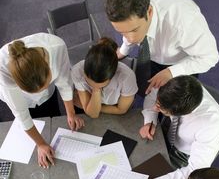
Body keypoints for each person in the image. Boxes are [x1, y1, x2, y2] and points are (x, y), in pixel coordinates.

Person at [105, 0, 219, 92]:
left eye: (134, 30)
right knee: (149, 85)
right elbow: (128, 30)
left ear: (149, 12)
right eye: (121, 32)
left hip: (180, 63)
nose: (131, 39)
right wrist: (123, 50)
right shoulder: (131, 4)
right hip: (153, 56)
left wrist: (171, 72)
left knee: (172, 103)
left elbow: (210, 58)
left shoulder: (184, 24)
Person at [0, 33, 84, 168]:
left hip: (48, 95)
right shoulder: (2, 68)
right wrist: (41, 144)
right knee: (32, 122)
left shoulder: (57, 46)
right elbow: (21, 113)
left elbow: (64, 82)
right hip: (23, 100)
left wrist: (71, 112)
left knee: (53, 114)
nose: (38, 94)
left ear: (48, 67)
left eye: (44, 85)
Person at [138, 76, 219, 179]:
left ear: (182, 114)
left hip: (183, 154)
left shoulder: (212, 125)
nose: (155, 107)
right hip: (164, 129)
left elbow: (195, 170)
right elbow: (152, 96)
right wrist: (150, 119)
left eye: (159, 108)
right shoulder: (170, 81)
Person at [71, 37, 138, 118]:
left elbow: (121, 110)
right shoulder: (77, 71)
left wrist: (89, 106)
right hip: (106, 109)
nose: (94, 87)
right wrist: (96, 91)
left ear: (112, 76)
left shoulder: (127, 77)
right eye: (90, 83)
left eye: (100, 86)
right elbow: (93, 114)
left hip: (116, 111)